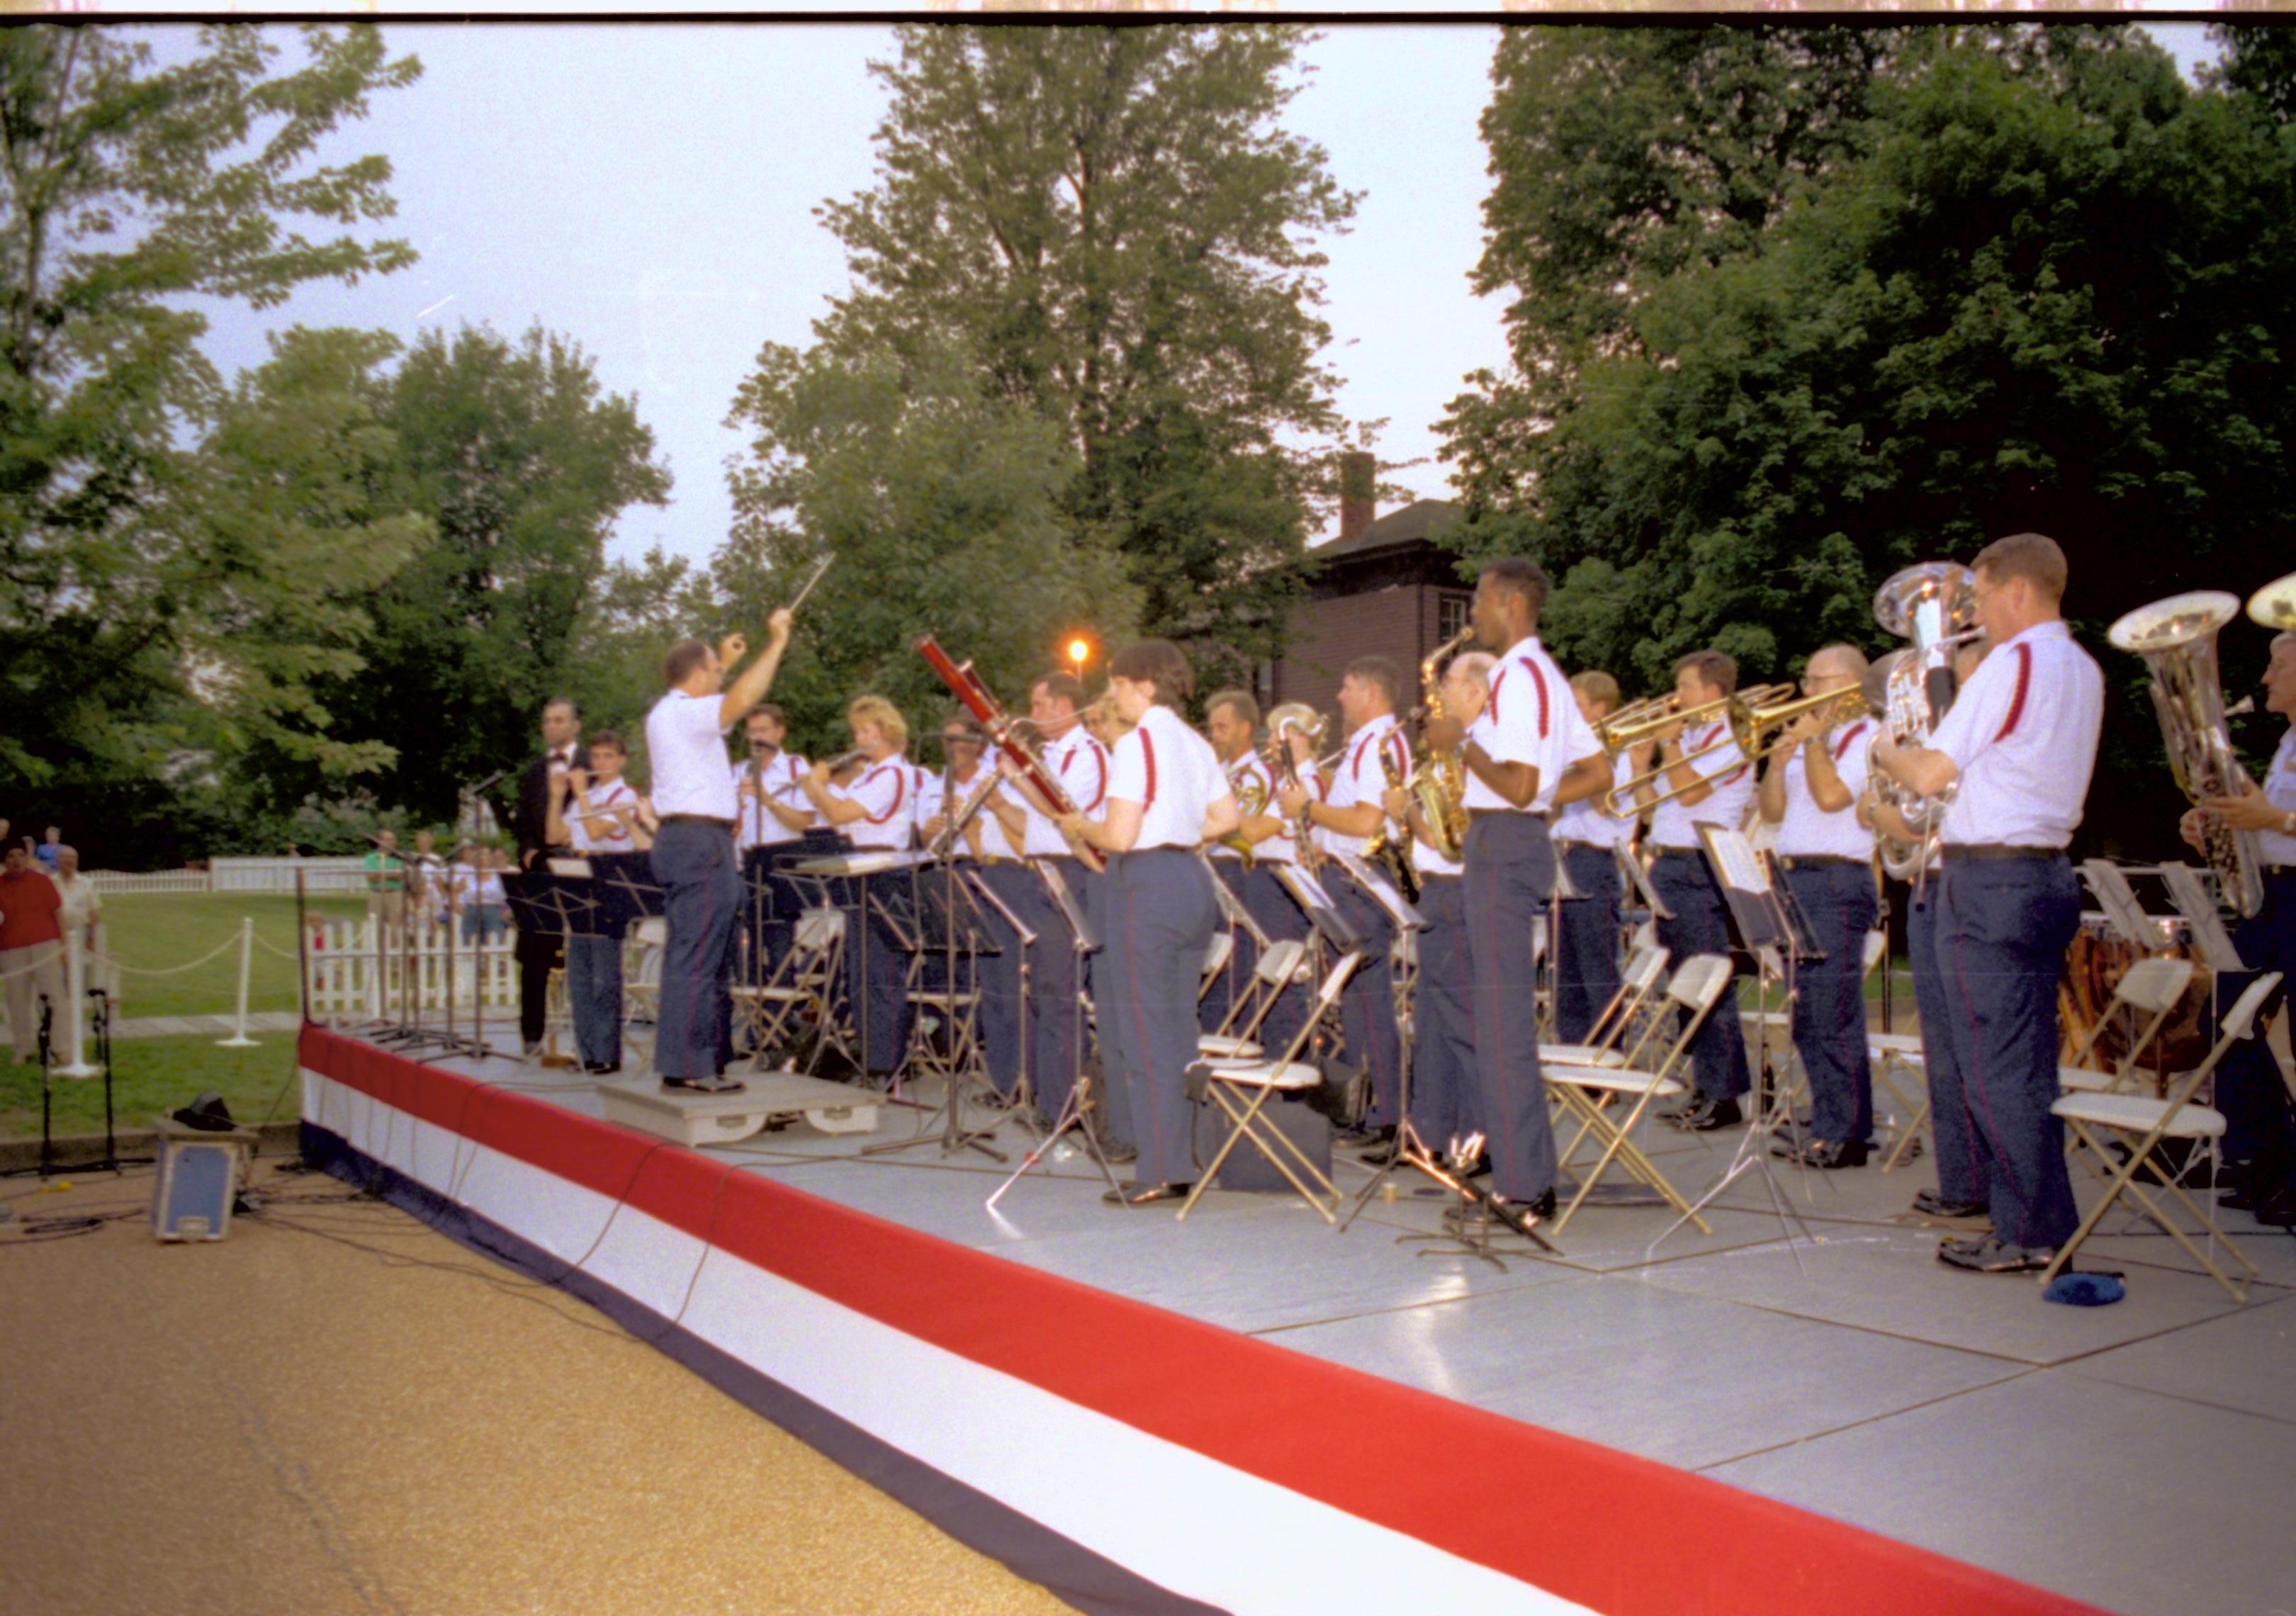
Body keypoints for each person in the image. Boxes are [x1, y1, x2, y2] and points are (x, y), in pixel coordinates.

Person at [1872, 532, 2103, 1274]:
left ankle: (2031, 1234)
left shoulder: (2016, 660)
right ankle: (2034, 1223)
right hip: (2040, 875)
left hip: (1990, 883)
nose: (1971, 613)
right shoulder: (2082, 667)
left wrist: (1885, 747)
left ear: (2017, 591)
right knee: (2025, 1064)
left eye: (1976, 596)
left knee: (1993, 1066)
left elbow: (1934, 769)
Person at [1422, 560, 1610, 1217]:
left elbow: (1524, 783)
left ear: (1507, 602)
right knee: (1498, 1019)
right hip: (1507, 836)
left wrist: (1461, 742)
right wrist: (1546, 807)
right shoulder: (1544, 676)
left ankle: (1524, 1187)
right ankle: (1522, 1175)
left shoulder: (1519, 678)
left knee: (1501, 1025)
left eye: (1476, 601)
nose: (1471, 613)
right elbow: (1598, 771)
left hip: (1503, 841)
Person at [1058, 639, 1239, 1205]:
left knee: (1143, 1032)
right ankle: (1182, 1154)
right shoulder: (1194, 742)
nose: (1112, 693)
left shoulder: (1139, 742)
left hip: (1148, 886)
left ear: (1146, 686)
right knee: (1177, 1028)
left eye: (1117, 684)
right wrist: (1180, 831)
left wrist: (1076, 826)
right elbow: (1228, 819)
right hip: (1190, 882)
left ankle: (1161, 1169)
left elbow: (1118, 835)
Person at [1863, 639, 1992, 1224]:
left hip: (1951, 881)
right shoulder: (1946, 732)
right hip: (1927, 887)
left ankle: (1976, 1185)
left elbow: (1917, 825)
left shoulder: (1963, 732)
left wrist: (1874, 814)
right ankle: (1961, 1181)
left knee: (1963, 1051)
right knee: (1943, 1051)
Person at [645, 616, 794, 1094]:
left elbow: (717, 691)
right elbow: (738, 701)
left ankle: (692, 1059)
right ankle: (693, 1066)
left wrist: (724, 661)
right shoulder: (687, 712)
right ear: (696, 676)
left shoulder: (671, 712)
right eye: (713, 668)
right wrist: (776, 644)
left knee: (695, 953)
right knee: (701, 958)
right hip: (699, 843)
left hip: (688, 841)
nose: (720, 674)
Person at [2180, 625, 2296, 1227]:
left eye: (2278, 665)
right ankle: (2257, 1160)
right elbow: (2270, 827)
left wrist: (2270, 815)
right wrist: (2221, 827)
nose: (2265, 679)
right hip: (2276, 893)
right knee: (2227, 1016)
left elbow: (2281, 820)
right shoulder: (2286, 744)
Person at [1276, 656, 1410, 1145]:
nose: (1339, 696)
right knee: (1356, 1005)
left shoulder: (1380, 744)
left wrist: (1308, 808)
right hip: (1346, 878)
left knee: (1368, 1005)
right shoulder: (1366, 745)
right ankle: (1364, 1108)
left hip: (1363, 880)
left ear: (1371, 693)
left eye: (1347, 686)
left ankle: (1386, 1113)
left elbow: (1366, 823)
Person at [1756, 644, 1878, 1168]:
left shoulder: (1867, 738)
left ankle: (1845, 1135)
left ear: (1850, 684)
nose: (1806, 692)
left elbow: (1833, 799)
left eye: (1815, 681)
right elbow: (1773, 811)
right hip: (1797, 877)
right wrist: (1778, 762)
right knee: (1808, 1013)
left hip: (1836, 880)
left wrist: (1809, 745)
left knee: (1832, 1011)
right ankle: (1827, 1120)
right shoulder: (1819, 741)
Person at [1627, 649, 1759, 1130]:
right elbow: (1652, 810)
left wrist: (1671, 748)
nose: (1676, 698)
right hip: (1670, 862)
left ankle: (1725, 1096)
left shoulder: (1735, 738)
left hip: (1700, 866)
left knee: (1708, 983)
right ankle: (1703, 1086)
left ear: (1712, 691)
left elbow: (1690, 794)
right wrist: (1644, 764)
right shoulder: (1693, 738)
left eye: (1684, 688)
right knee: (1685, 987)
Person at [985, 672, 1112, 1137]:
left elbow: (1062, 810)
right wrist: (1004, 799)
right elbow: (1035, 820)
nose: (1032, 714)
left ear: (1063, 706)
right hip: (1042, 871)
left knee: (1058, 991)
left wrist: (1017, 779)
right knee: (1043, 990)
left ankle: (1064, 1105)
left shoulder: (1088, 753)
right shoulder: (1054, 754)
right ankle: (1051, 1096)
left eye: (1038, 705)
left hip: (1072, 873)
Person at [1381, 649, 1494, 1167]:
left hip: (1457, 891)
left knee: (1461, 1021)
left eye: (1447, 685)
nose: (1438, 696)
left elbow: (1451, 841)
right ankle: (1433, 1132)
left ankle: (1480, 1137)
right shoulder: (1456, 752)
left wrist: (1404, 809)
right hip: (1439, 894)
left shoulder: (1484, 748)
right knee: (1434, 1023)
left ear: (1474, 689)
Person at [800, 695, 918, 1079]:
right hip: (861, 871)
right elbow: (839, 822)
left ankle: (887, 1065)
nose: (860, 737)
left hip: (886, 873)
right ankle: (871, 1058)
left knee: (881, 972)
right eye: (857, 731)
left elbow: (838, 812)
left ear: (885, 731)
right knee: (859, 971)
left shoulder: (893, 775)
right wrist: (819, 790)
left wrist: (817, 787)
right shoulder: (869, 776)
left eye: (866, 730)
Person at [548, 730, 648, 1075]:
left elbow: (594, 833)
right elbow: (555, 836)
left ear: (620, 760)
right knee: (580, 976)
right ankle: (586, 1052)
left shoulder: (625, 795)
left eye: (608, 757)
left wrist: (581, 796)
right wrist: (557, 796)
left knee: (605, 978)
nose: (600, 764)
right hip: (579, 879)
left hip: (609, 882)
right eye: (596, 757)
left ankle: (608, 1053)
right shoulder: (583, 798)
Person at [1551, 672, 1631, 1043]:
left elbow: (1603, 805)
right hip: (1565, 860)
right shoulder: (1575, 751)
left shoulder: (1617, 750)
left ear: (1601, 709)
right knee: (1565, 971)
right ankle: (1574, 1054)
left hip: (1594, 862)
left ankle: (1608, 1057)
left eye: (1578, 705)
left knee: (1595, 969)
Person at [510, 698, 589, 1055]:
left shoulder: (593, 764)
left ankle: (591, 1038)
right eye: (547, 721)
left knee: (585, 954)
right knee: (534, 956)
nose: (552, 727)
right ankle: (532, 1035)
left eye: (560, 720)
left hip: (582, 867)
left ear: (575, 726)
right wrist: (526, 849)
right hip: (542, 868)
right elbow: (522, 822)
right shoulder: (532, 772)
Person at [0, 843, 67, 1065]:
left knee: (52, 996)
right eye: (11, 856)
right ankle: (24, 1048)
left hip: (45, 945)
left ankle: (58, 1047)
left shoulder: (42, 881)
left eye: (21, 855)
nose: (16, 860)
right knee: (17, 1001)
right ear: (4, 860)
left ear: (27, 858)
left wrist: (64, 946)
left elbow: (58, 914)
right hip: (12, 949)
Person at [361, 829, 407, 946]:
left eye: (393, 840)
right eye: (388, 839)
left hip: (395, 894)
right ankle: (375, 955)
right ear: (380, 841)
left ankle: (395, 958)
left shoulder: (399, 858)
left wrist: (381, 874)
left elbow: (400, 876)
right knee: (375, 925)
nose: (391, 842)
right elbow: (371, 877)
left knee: (396, 926)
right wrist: (391, 875)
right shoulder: (371, 858)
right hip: (377, 893)